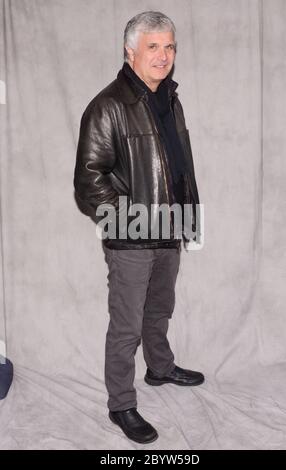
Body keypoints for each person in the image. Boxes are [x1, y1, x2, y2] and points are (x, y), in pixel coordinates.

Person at [74, 10, 204, 445]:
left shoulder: (170, 98)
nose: (163, 55)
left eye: (169, 46)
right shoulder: (108, 105)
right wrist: (128, 219)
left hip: (170, 228)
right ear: (130, 51)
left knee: (160, 309)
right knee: (126, 326)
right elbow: (88, 179)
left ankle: (161, 368)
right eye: (153, 46)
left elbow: (179, 165)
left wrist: (190, 215)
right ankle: (121, 405)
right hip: (131, 237)